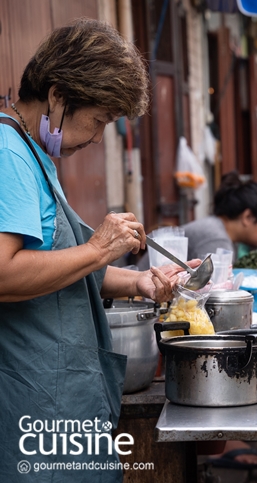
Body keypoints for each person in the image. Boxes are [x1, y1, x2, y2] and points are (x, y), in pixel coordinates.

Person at [0, 19, 197, 482]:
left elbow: (57, 261)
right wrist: (99, 247)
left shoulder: (31, 154)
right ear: (58, 97)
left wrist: (139, 282)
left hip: (61, 403)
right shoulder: (7, 154)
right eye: (100, 120)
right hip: (40, 406)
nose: (97, 137)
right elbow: (5, 276)